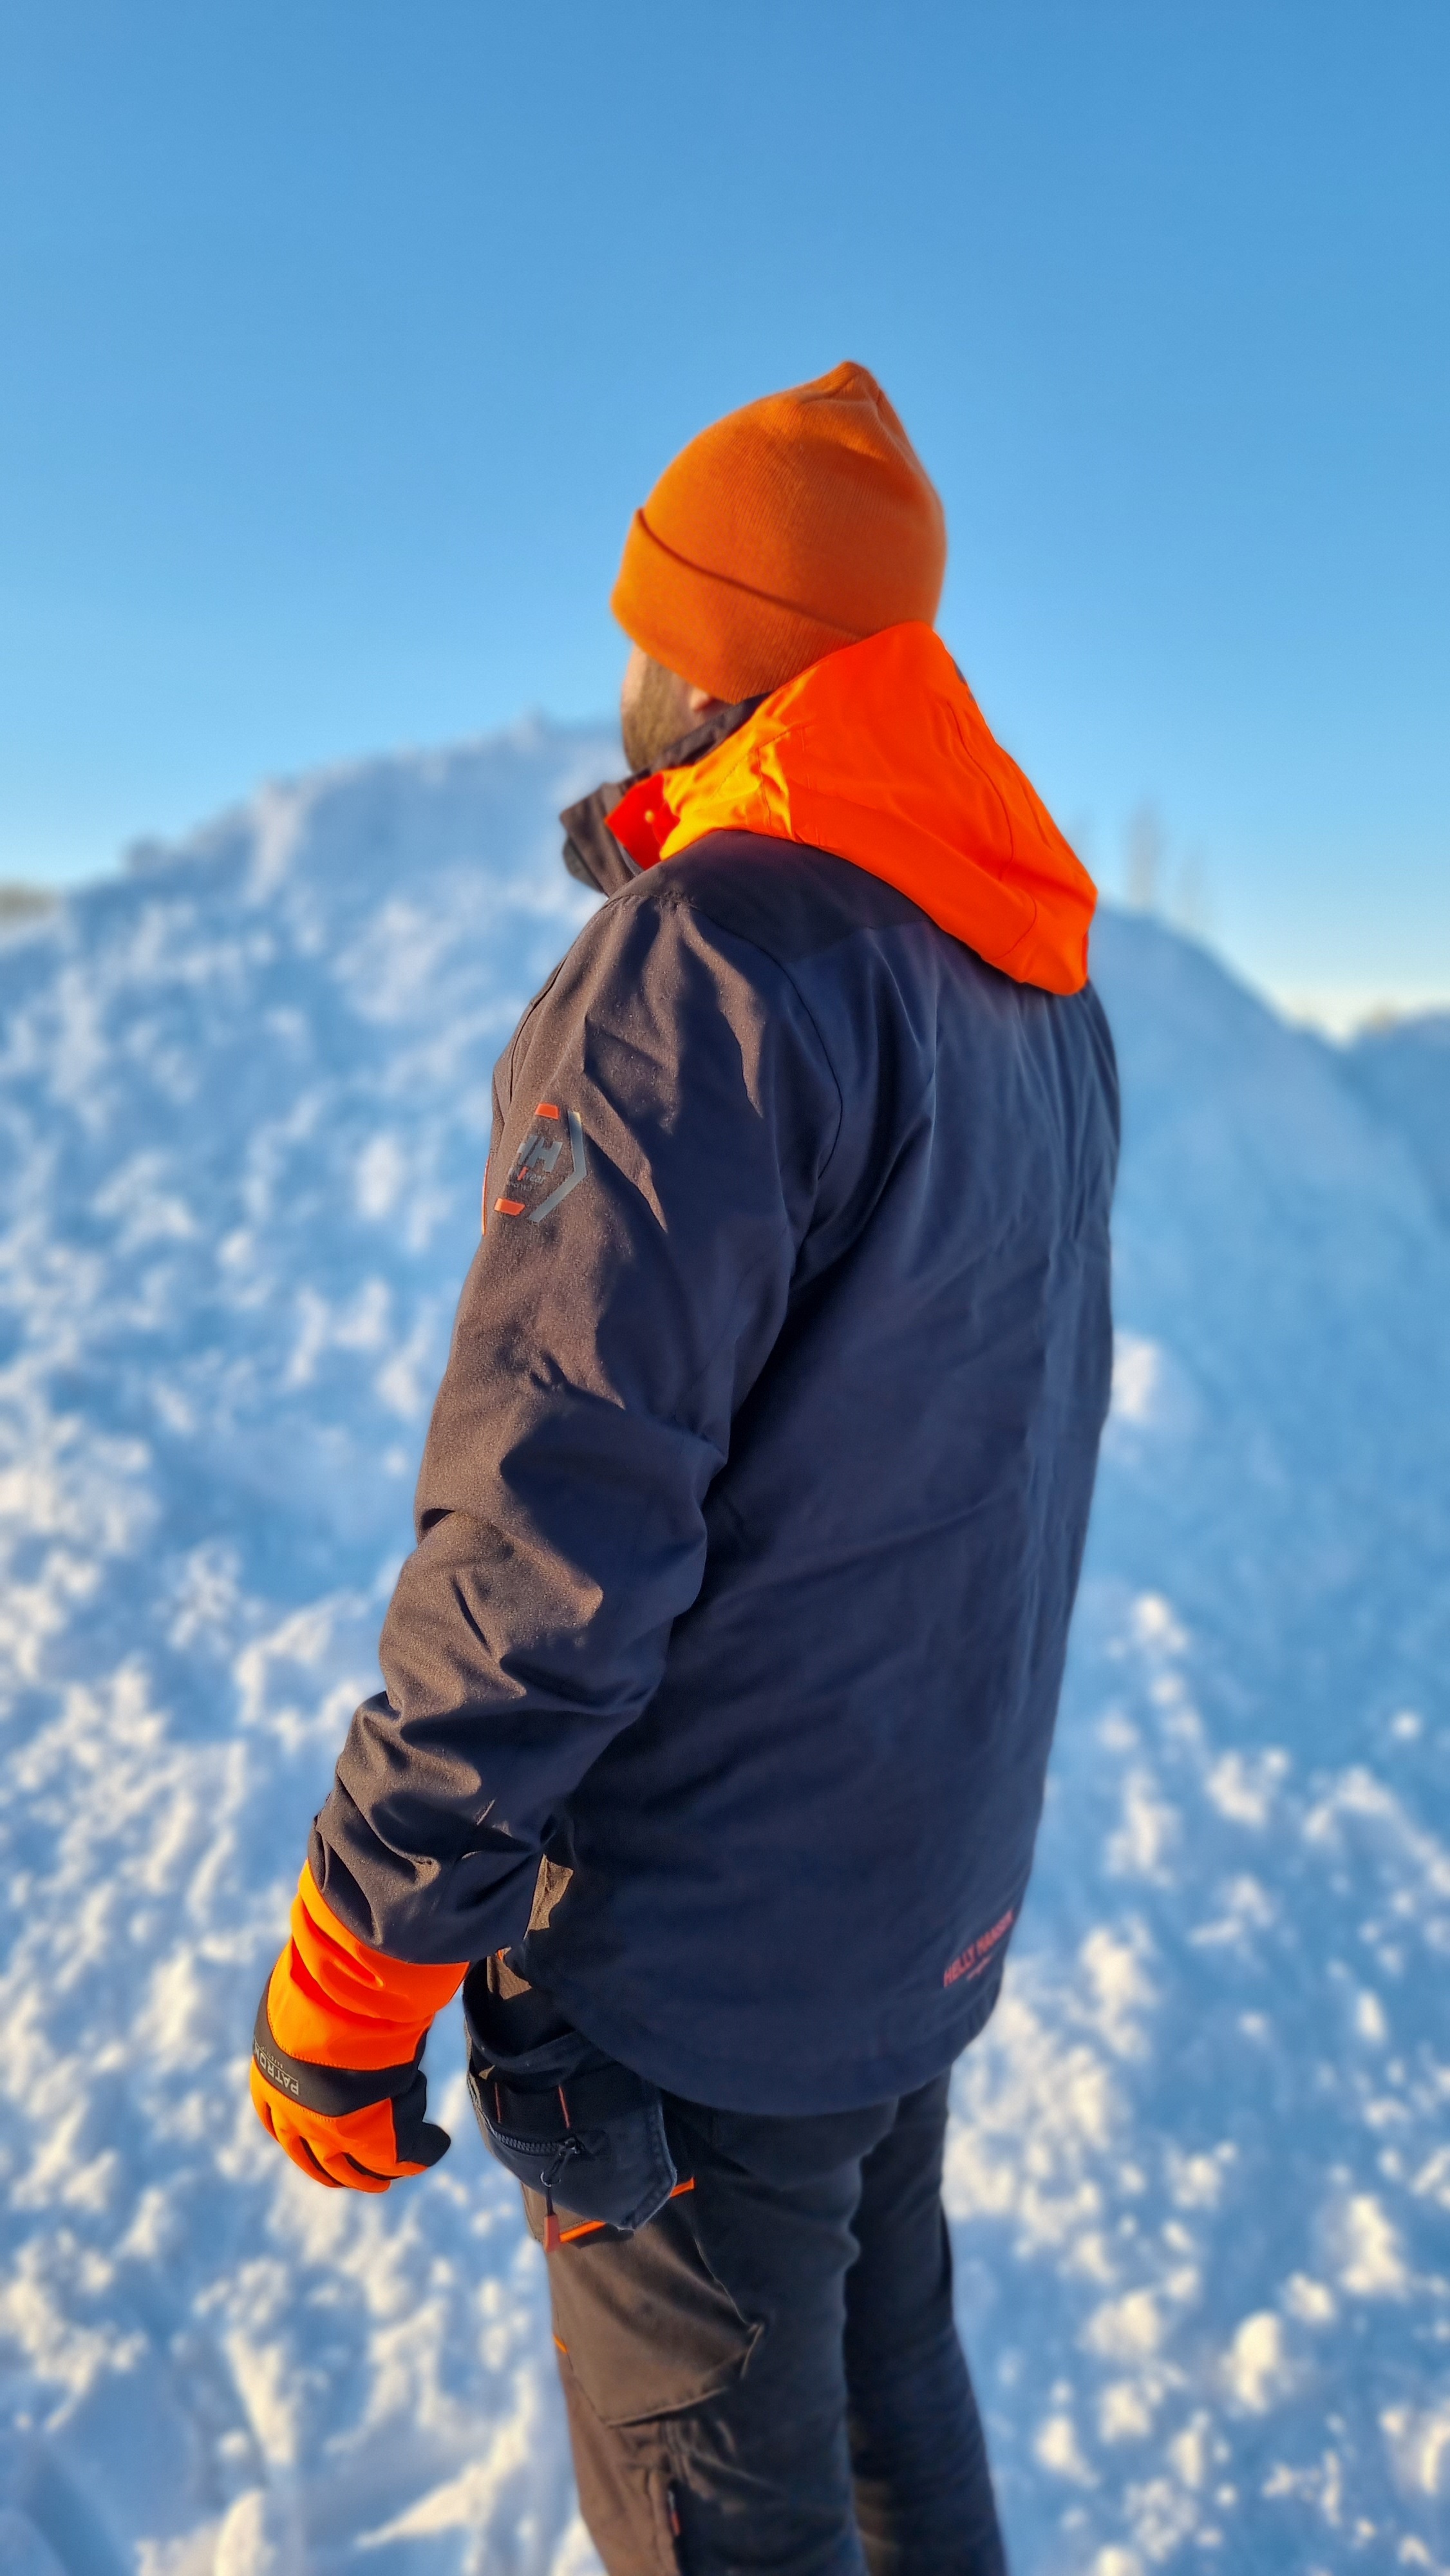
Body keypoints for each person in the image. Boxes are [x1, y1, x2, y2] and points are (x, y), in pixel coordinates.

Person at [250, 361, 1119, 2573]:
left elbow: (559, 1515)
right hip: (904, 1908)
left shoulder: (709, 963)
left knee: (728, 2489)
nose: (619, 665)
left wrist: (369, 1937)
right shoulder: (1029, 980)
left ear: (713, 651)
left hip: (697, 1964)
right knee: (886, 2391)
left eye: (645, 620)